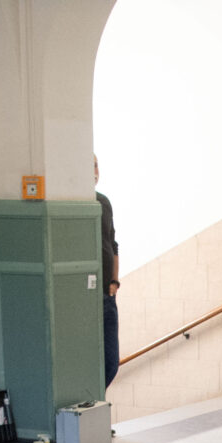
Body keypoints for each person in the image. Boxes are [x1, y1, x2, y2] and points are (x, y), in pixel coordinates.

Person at [96, 157, 120, 388]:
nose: (94, 171)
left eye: (96, 165)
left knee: (111, 363)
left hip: (107, 294)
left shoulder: (103, 202)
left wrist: (114, 281)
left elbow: (112, 243)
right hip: (87, 295)